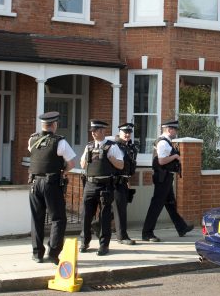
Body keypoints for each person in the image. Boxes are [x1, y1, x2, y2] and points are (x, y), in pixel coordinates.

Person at [27, 111, 76, 264]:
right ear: (54, 125)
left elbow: (35, 155)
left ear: (42, 125)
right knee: (58, 218)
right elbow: (72, 163)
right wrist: (63, 171)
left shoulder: (32, 139)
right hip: (51, 183)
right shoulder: (59, 142)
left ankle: (37, 253)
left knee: (37, 219)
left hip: (34, 183)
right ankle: (53, 253)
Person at [142, 119, 193, 242]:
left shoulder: (166, 142)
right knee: (157, 204)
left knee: (170, 203)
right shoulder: (163, 143)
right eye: (174, 129)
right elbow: (161, 161)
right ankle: (147, 233)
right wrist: (175, 156)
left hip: (165, 177)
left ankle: (181, 227)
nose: (176, 132)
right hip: (162, 177)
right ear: (169, 129)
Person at [79, 119, 125, 255]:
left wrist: (110, 158)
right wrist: (86, 158)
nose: (93, 133)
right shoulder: (89, 146)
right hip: (90, 184)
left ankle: (104, 245)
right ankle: (84, 242)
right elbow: (82, 165)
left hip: (105, 185)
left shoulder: (112, 147)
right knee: (86, 215)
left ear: (103, 131)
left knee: (104, 216)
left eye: (96, 131)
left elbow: (121, 165)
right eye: (92, 131)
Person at [113, 122, 139, 245]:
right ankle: (122, 236)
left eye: (129, 132)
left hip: (124, 181)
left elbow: (129, 167)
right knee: (120, 210)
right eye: (125, 132)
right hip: (114, 182)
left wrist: (128, 182)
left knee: (117, 209)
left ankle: (97, 225)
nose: (127, 134)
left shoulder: (130, 147)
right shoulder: (114, 146)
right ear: (120, 132)